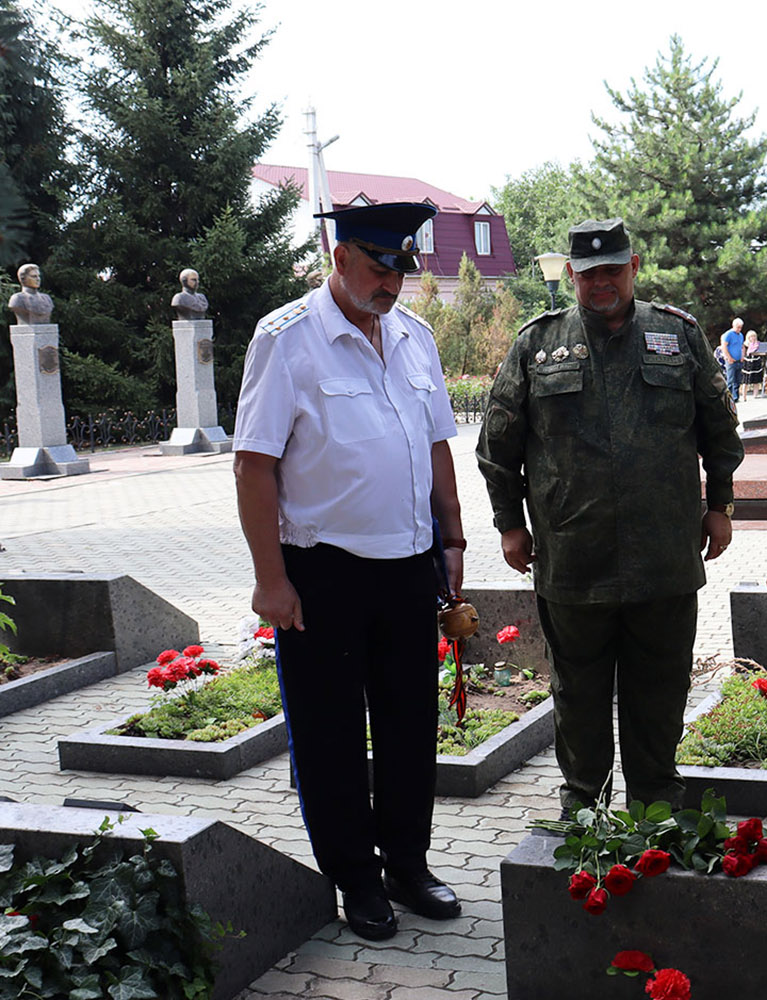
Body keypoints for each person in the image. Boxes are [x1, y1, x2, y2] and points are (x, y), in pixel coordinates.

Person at [233, 202, 466, 941]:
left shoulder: (414, 337)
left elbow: (435, 445)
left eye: (402, 270)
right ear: (339, 257)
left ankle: (408, 863)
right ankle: (355, 879)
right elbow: (254, 464)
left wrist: (452, 538)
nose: (391, 286)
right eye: (378, 269)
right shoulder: (287, 339)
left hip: (407, 565)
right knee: (331, 733)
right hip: (322, 570)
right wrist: (271, 580)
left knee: (409, 726)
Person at [477, 218, 743, 816]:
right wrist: (509, 524)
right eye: (589, 273)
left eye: (613, 270)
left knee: (660, 690)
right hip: (574, 559)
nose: (602, 283)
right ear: (571, 275)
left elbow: (719, 429)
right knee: (579, 695)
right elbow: (497, 445)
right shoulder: (537, 344)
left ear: (635, 267)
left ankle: (657, 807)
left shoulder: (678, 335)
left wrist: (720, 505)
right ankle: (585, 811)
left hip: (665, 558)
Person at [719, 316, 745, 402]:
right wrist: (728, 357)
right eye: (738, 327)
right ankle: (728, 398)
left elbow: (742, 346)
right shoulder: (728, 334)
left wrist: (742, 356)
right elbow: (724, 346)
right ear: (733, 326)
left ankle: (736, 397)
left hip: (738, 360)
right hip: (730, 360)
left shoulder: (741, 335)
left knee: (737, 380)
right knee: (730, 380)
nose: (739, 329)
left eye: (740, 327)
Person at [740, 330, 765, 399]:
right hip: (748, 362)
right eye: (751, 336)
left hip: (756, 362)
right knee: (746, 380)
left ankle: (755, 395)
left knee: (756, 380)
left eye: (754, 336)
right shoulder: (745, 344)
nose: (752, 338)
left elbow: (762, 352)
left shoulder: (758, 344)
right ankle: (744, 396)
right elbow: (743, 353)